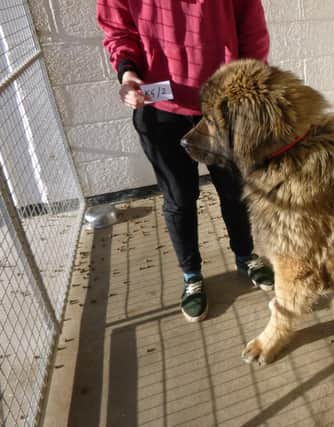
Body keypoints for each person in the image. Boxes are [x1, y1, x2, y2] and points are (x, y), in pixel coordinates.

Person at [96, 0, 274, 322]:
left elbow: (251, 27)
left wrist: (250, 81)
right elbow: (119, 30)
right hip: (160, 108)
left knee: (234, 191)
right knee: (179, 198)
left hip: (223, 103)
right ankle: (192, 275)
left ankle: (246, 255)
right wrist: (127, 74)